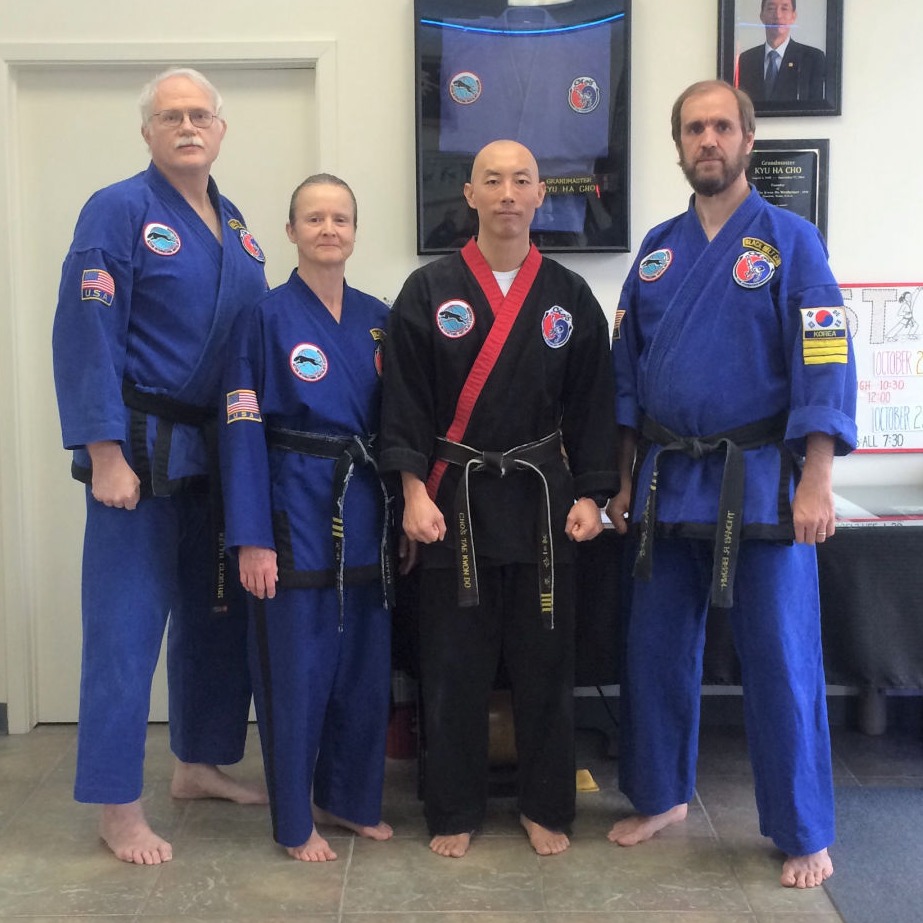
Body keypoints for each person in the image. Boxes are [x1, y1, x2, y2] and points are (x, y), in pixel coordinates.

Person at [606, 79, 857, 889]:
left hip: (761, 478)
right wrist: (621, 479)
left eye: (720, 126)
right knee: (654, 649)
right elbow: (624, 375)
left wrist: (815, 477)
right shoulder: (655, 251)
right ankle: (659, 794)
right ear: (678, 144)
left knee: (780, 656)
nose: (706, 140)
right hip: (666, 478)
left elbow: (823, 356)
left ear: (747, 139)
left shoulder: (791, 241)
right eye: (692, 128)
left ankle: (802, 828)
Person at [52, 67, 269, 865]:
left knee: (213, 617)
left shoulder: (236, 223)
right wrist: (103, 451)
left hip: (215, 453)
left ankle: (197, 764)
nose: (187, 126)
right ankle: (117, 806)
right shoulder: (117, 210)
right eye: (170, 115)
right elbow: (86, 332)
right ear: (146, 131)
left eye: (200, 115)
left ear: (220, 130)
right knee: (125, 629)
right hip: (138, 452)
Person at [379, 140, 618, 859]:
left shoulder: (569, 295)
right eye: (492, 180)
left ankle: (545, 805)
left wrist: (594, 495)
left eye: (521, 180)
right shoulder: (428, 290)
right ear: (471, 194)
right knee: (454, 664)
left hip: (543, 503)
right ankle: (453, 806)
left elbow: (593, 403)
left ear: (541, 194)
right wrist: (412, 492)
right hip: (454, 501)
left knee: (545, 664)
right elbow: (404, 402)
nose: (507, 193)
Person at [219, 174, 394, 861]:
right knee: (295, 677)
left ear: (354, 231)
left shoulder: (378, 318)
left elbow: (399, 424)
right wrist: (251, 537)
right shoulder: (262, 319)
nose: (328, 229)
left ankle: (348, 799)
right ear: (291, 231)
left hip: (365, 509)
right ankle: (294, 822)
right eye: (314, 218)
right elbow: (240, 430)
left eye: (340, 218)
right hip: (291, 513)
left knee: (363, 672)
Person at [736, 0, 826, 103]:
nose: (778, 15)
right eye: (771, 9)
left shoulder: (812, 58)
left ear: (793, 16)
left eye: (784, 8)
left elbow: (816, 106)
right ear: (762, 16)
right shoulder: (746, 59)